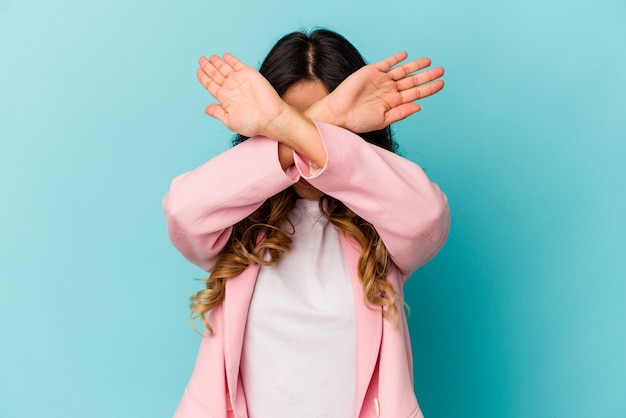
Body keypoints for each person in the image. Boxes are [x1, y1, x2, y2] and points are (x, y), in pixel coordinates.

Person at [163, 29, 450, 418]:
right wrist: (317, 125)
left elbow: (427, 214)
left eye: (328, 132)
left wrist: (291, 125)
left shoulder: (383, 225)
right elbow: (183, 209)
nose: (308, 152)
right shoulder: (236, 222)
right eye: (284, 124)